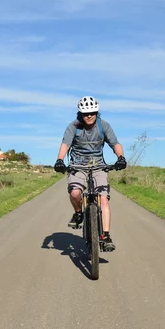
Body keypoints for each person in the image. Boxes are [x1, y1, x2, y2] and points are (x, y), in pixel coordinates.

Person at [54, 95, 127, 251]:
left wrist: (121, 157)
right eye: (86, 113)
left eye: (92, 112)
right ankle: (79, 213)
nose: (89, 116)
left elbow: (115, 143)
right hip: (77, 166)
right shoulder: (73, 127)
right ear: (80, 113)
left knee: (103, 199)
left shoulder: (103, 126)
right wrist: (60, 160)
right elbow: (65, 144)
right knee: (74, 193)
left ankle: (106, 236)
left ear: (96, 112)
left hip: (99, 166)